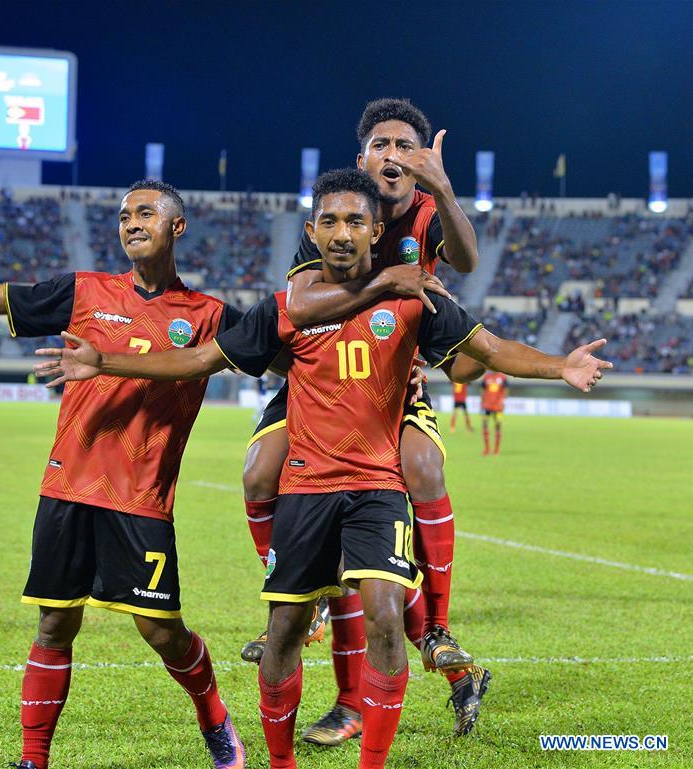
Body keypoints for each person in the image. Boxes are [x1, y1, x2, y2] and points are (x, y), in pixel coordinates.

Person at [32, 169, 612, 768]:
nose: (342, 233)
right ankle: (280, 763)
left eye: (356, 221)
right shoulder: (285, 310)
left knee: (385, 615)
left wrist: (558, 366)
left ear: (375, 230)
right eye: (330, 221)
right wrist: (106, 360)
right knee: (283, 630)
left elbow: (489, 350)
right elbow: (197, 359)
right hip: (305, 491)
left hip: (376, 488)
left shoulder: (412, 301)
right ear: (312, 231)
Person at [0, 182, 246, 769]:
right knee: (54, 624)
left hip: (141, 500)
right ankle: (34, 761)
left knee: (163, 633)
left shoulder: (211, 316)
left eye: (147, 213)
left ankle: (213, 717)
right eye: (125, 215)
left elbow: (293, 354)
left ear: (177, 227)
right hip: (67, 488)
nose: (132, 223)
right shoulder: (83, 292)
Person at [242, 97, 489, 741]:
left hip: (390, 379)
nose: (393, 156)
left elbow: (464, 261)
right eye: (381, 145)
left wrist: (445, 187)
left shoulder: (428, 213)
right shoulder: (336, 212)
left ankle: (434, 629)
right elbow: (302, 301)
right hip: (321, 376)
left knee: (423, 466)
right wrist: (381, 289)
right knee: (259, 471)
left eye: (406, 146)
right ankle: (299, 591)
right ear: (361, 158)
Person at [481, 370, 508, 455]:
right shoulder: (486, 377)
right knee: (485, 424)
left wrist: (503, 401)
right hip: (487, 405)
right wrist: (482, 403)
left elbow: (505, 390)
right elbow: (482, 390)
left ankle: (496, 450)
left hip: (498, 406)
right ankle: (487, 449)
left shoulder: (502, 377)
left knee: (498, 425)